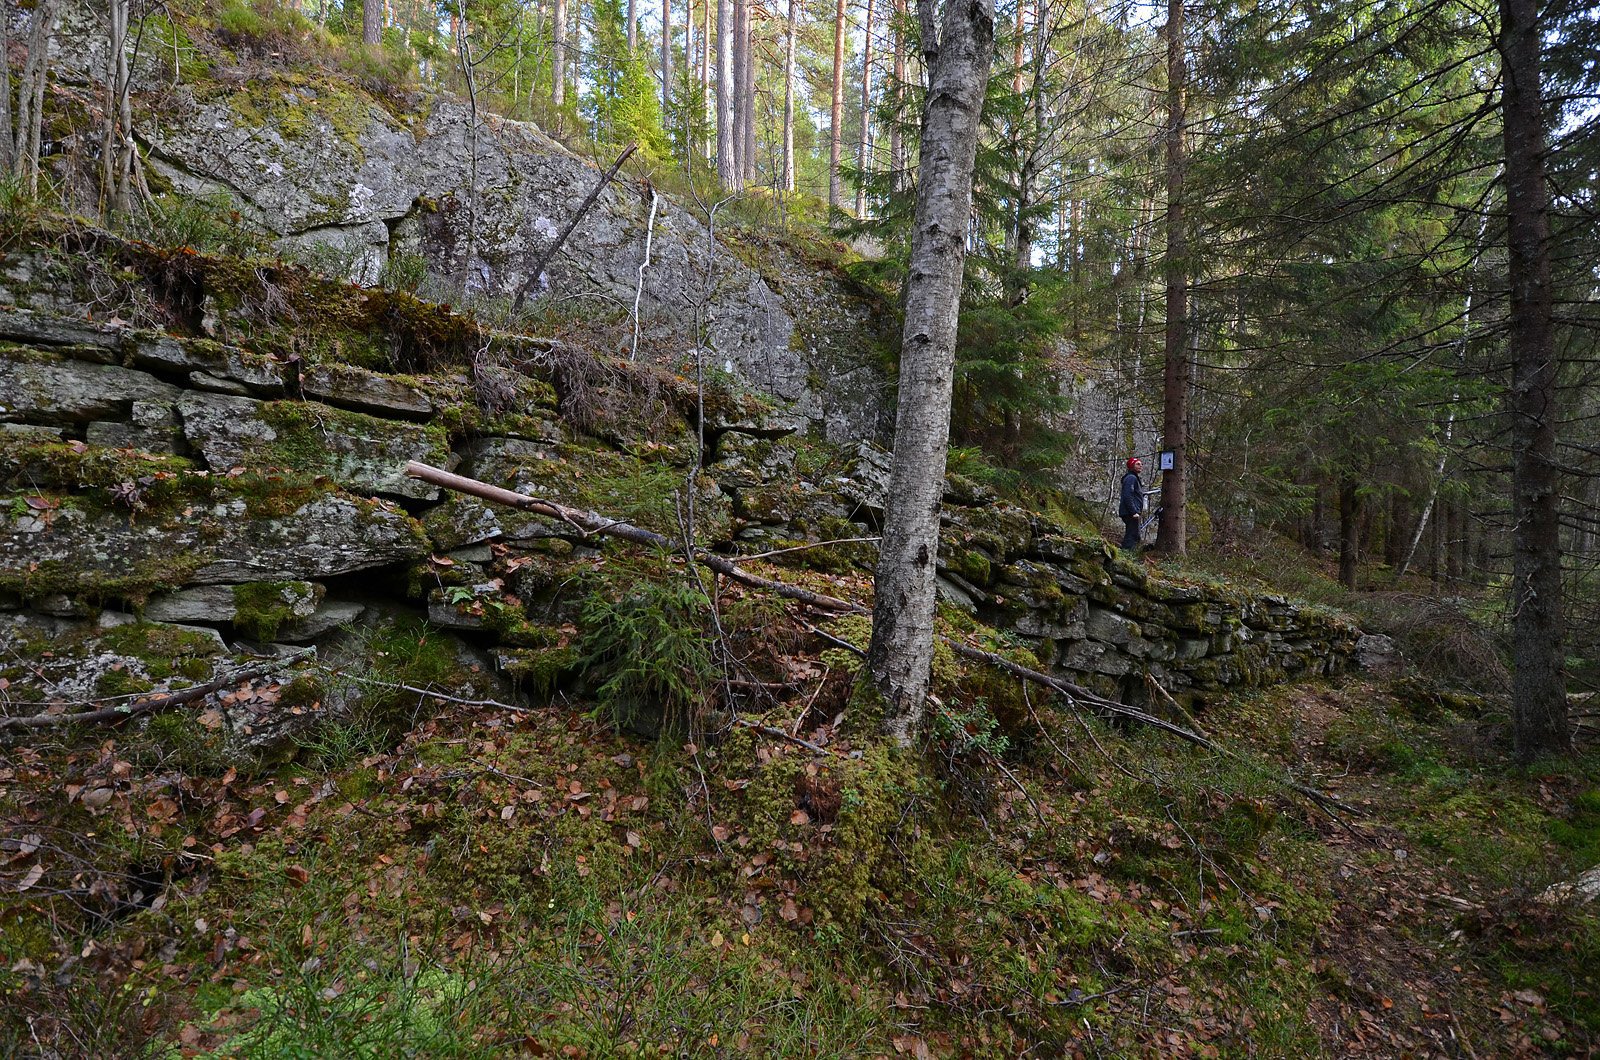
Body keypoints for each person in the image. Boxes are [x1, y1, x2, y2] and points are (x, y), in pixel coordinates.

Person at [1119, 457, 1144, 551]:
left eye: (1141, 464)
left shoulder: (1133, 478)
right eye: (1138, 464)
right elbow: (1127, 495)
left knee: (1134, 534)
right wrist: (1133, 511)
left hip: (1131, 511)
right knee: (1132, 535)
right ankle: (1126, 553)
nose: (1140, 466)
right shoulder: (1131, 478)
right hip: (1130, 512)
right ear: (1131, 466)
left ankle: (1128, 553)